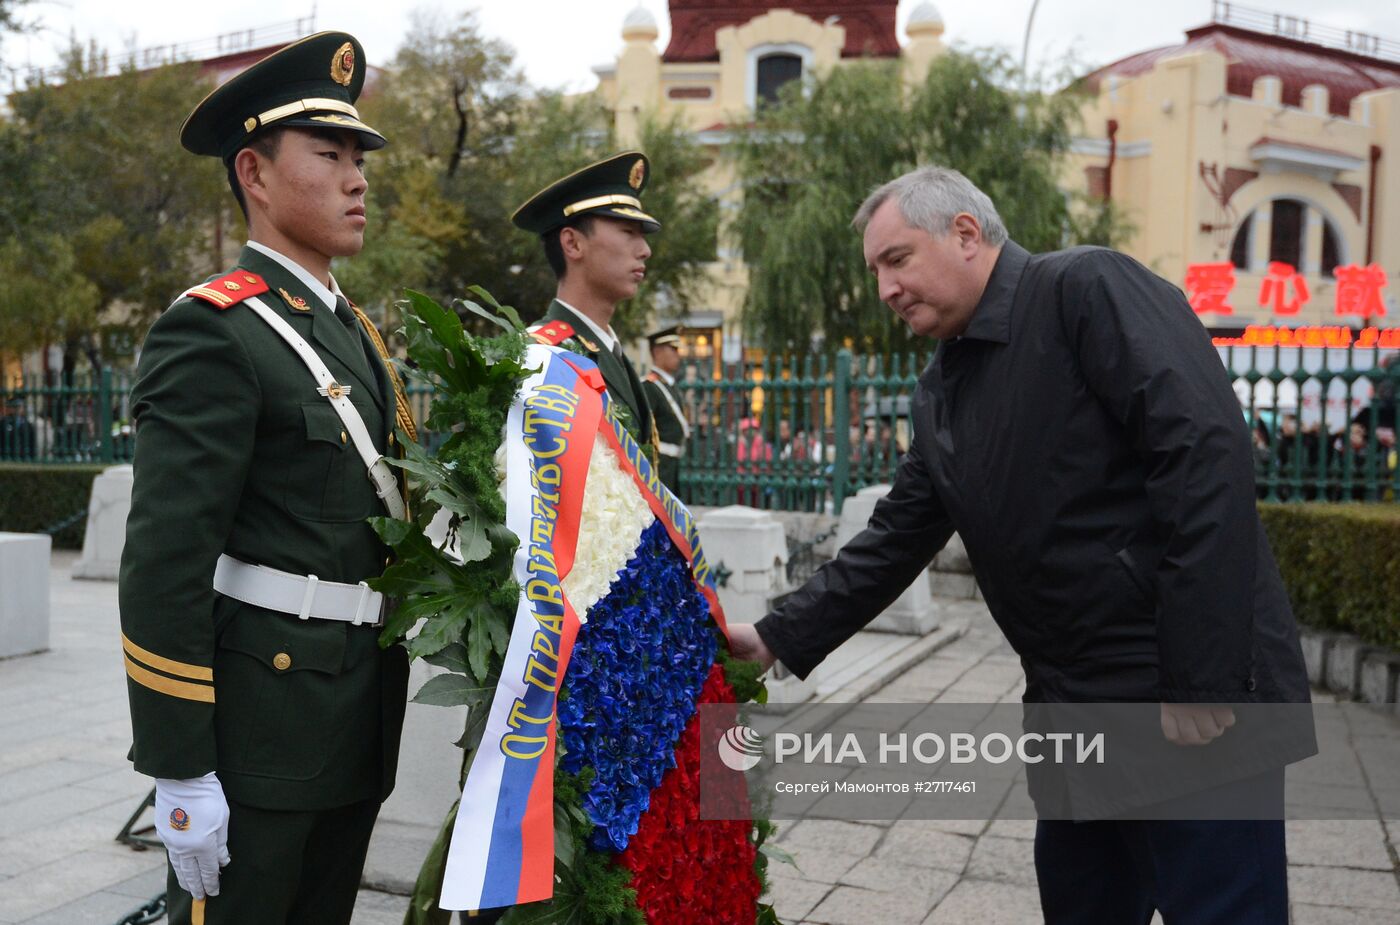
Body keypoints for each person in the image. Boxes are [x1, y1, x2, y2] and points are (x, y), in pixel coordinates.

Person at [728, 166, 1312, 924]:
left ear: (966, 234)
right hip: (1074, 714)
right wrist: (775, 634)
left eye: (897, 258)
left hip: (1187, 701)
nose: (885, 289)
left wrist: (1202, 675)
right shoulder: (942, 388)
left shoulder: (1085, 290)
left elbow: (1204, 456)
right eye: (876, 270)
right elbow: (898, 534)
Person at [119, 32, 413, 925]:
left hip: (354, 714)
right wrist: (180, 768)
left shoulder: (354, 331)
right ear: (253, 170)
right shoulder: (216, 329)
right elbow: (164, 564)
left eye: (358, 157)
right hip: (257, 731)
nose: (357, 178)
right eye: (329, 154)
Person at [512, 152, 658, 445]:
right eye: (628, 231)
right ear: (573, 243)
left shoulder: (610, 353)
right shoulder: (540, 357)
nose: (645, 250)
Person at [642, 325, 690, 491]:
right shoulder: (650, 386)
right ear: (657, 352)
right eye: (673, 349)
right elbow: (645, 430)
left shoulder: (670, 386)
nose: (678, 354)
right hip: (658, 465)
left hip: (672, 464)